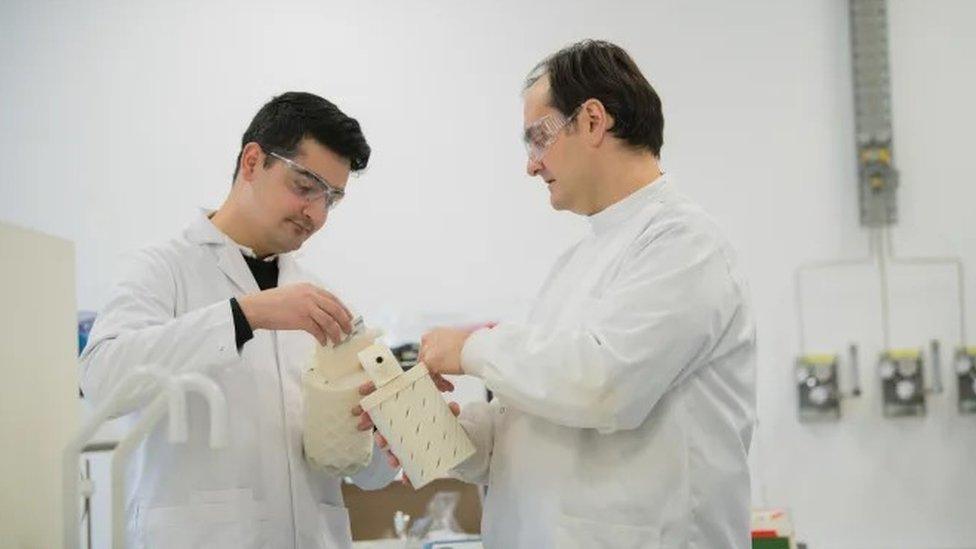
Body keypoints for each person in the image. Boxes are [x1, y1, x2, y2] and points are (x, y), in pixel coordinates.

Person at [414, 40, 757, 548]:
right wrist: (437, 431)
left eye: (539, 138)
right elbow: (538, 422)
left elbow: (602, 386)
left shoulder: (685, 244)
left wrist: (470, 348)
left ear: (594, 121)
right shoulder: (576, 264)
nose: (532, 165)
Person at [80, 91, 397, 549]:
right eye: (305, 186)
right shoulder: (162, 269)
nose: (317, 214)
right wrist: (244, 315)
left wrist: (386, 429)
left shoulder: (325, 302)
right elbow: (101, 380)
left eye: (333, 199)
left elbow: (367, 476)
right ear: (252, 162)